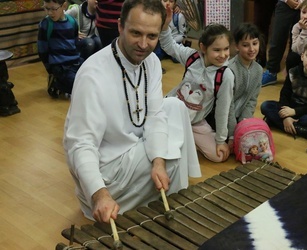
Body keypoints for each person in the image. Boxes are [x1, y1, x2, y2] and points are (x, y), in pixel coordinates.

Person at [63, 0, 201, 223]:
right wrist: (99, 195)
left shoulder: (152, 62)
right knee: (174, 156)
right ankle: (166, 200)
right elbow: (80, 144)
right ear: (120, 27)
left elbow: (155, 115)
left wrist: (157, 162)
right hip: (106, 173)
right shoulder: (93, 75)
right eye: (136, 33)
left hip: (132, 147)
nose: (144, 44)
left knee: (175, 108)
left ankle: (169, 195)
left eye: (152, 36)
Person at [160, 5, 235, 163]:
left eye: (226, 49)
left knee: (219, 156)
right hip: (171, 115)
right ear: (203, 47)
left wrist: (221, 141)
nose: (223, 55)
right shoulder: (192, 57)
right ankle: (179, 139)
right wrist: (165, 25)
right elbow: (169, 46)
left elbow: (223, 110)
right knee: (162, 149)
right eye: (216, 50)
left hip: (195, 122)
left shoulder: (225, 75)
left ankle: (185, 139)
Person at [260, 40, 307, 143]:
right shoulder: (293, 72)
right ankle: (302, 130)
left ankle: (274, 122)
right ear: (302, 57)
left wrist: (295, 112)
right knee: (265, 106)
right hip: (290, 107)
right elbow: (284, 94)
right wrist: (286, 117)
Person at [227, 22, 263, 151]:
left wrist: (243, 124)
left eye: (255, 43)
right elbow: (227, 105)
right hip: (222, 118)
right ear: (236, 46)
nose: (252, 49)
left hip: (240, 118)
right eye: (245, 45)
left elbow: (252, 100)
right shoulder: (230, 70)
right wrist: (232, 134)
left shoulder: (258, 70)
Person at [37, 0, 83, 98]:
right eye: (46, 8)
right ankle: (56, 82)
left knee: (91, 79)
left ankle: (61, 83)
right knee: (79, 87)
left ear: (64, 6)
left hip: (75, 62)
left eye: (53, 9)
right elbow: (42, 50)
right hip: (60, 66)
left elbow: (75, 43)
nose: (49, 12)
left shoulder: (72, 21)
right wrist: (50, 69)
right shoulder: (45, 24)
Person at [261, 0, 302, 87]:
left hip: (305, 6)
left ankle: (292, 73)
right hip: (284, 4)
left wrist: (303, 2)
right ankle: (271, 72)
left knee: (298, 41)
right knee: (277, 38)